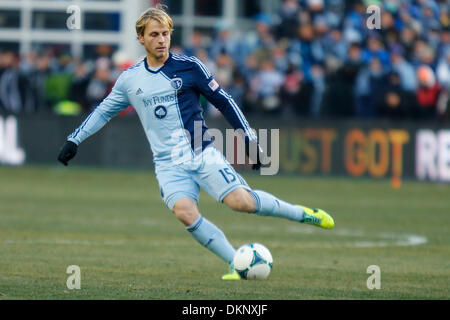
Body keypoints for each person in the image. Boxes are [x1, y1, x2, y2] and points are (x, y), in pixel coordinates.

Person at [57, 6, 335, 280]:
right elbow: (104, 110)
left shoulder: (189, 67)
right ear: (141, 38)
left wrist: (248, 139)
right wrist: (75, 139)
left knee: (242, 202)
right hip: (167, 163)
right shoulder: (130, 80)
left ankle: (304, 214)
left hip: (201, 151)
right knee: (185, 212)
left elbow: (224, 102)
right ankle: (235, 264)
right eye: (154, 34)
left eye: (165, 33)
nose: (162, 40)